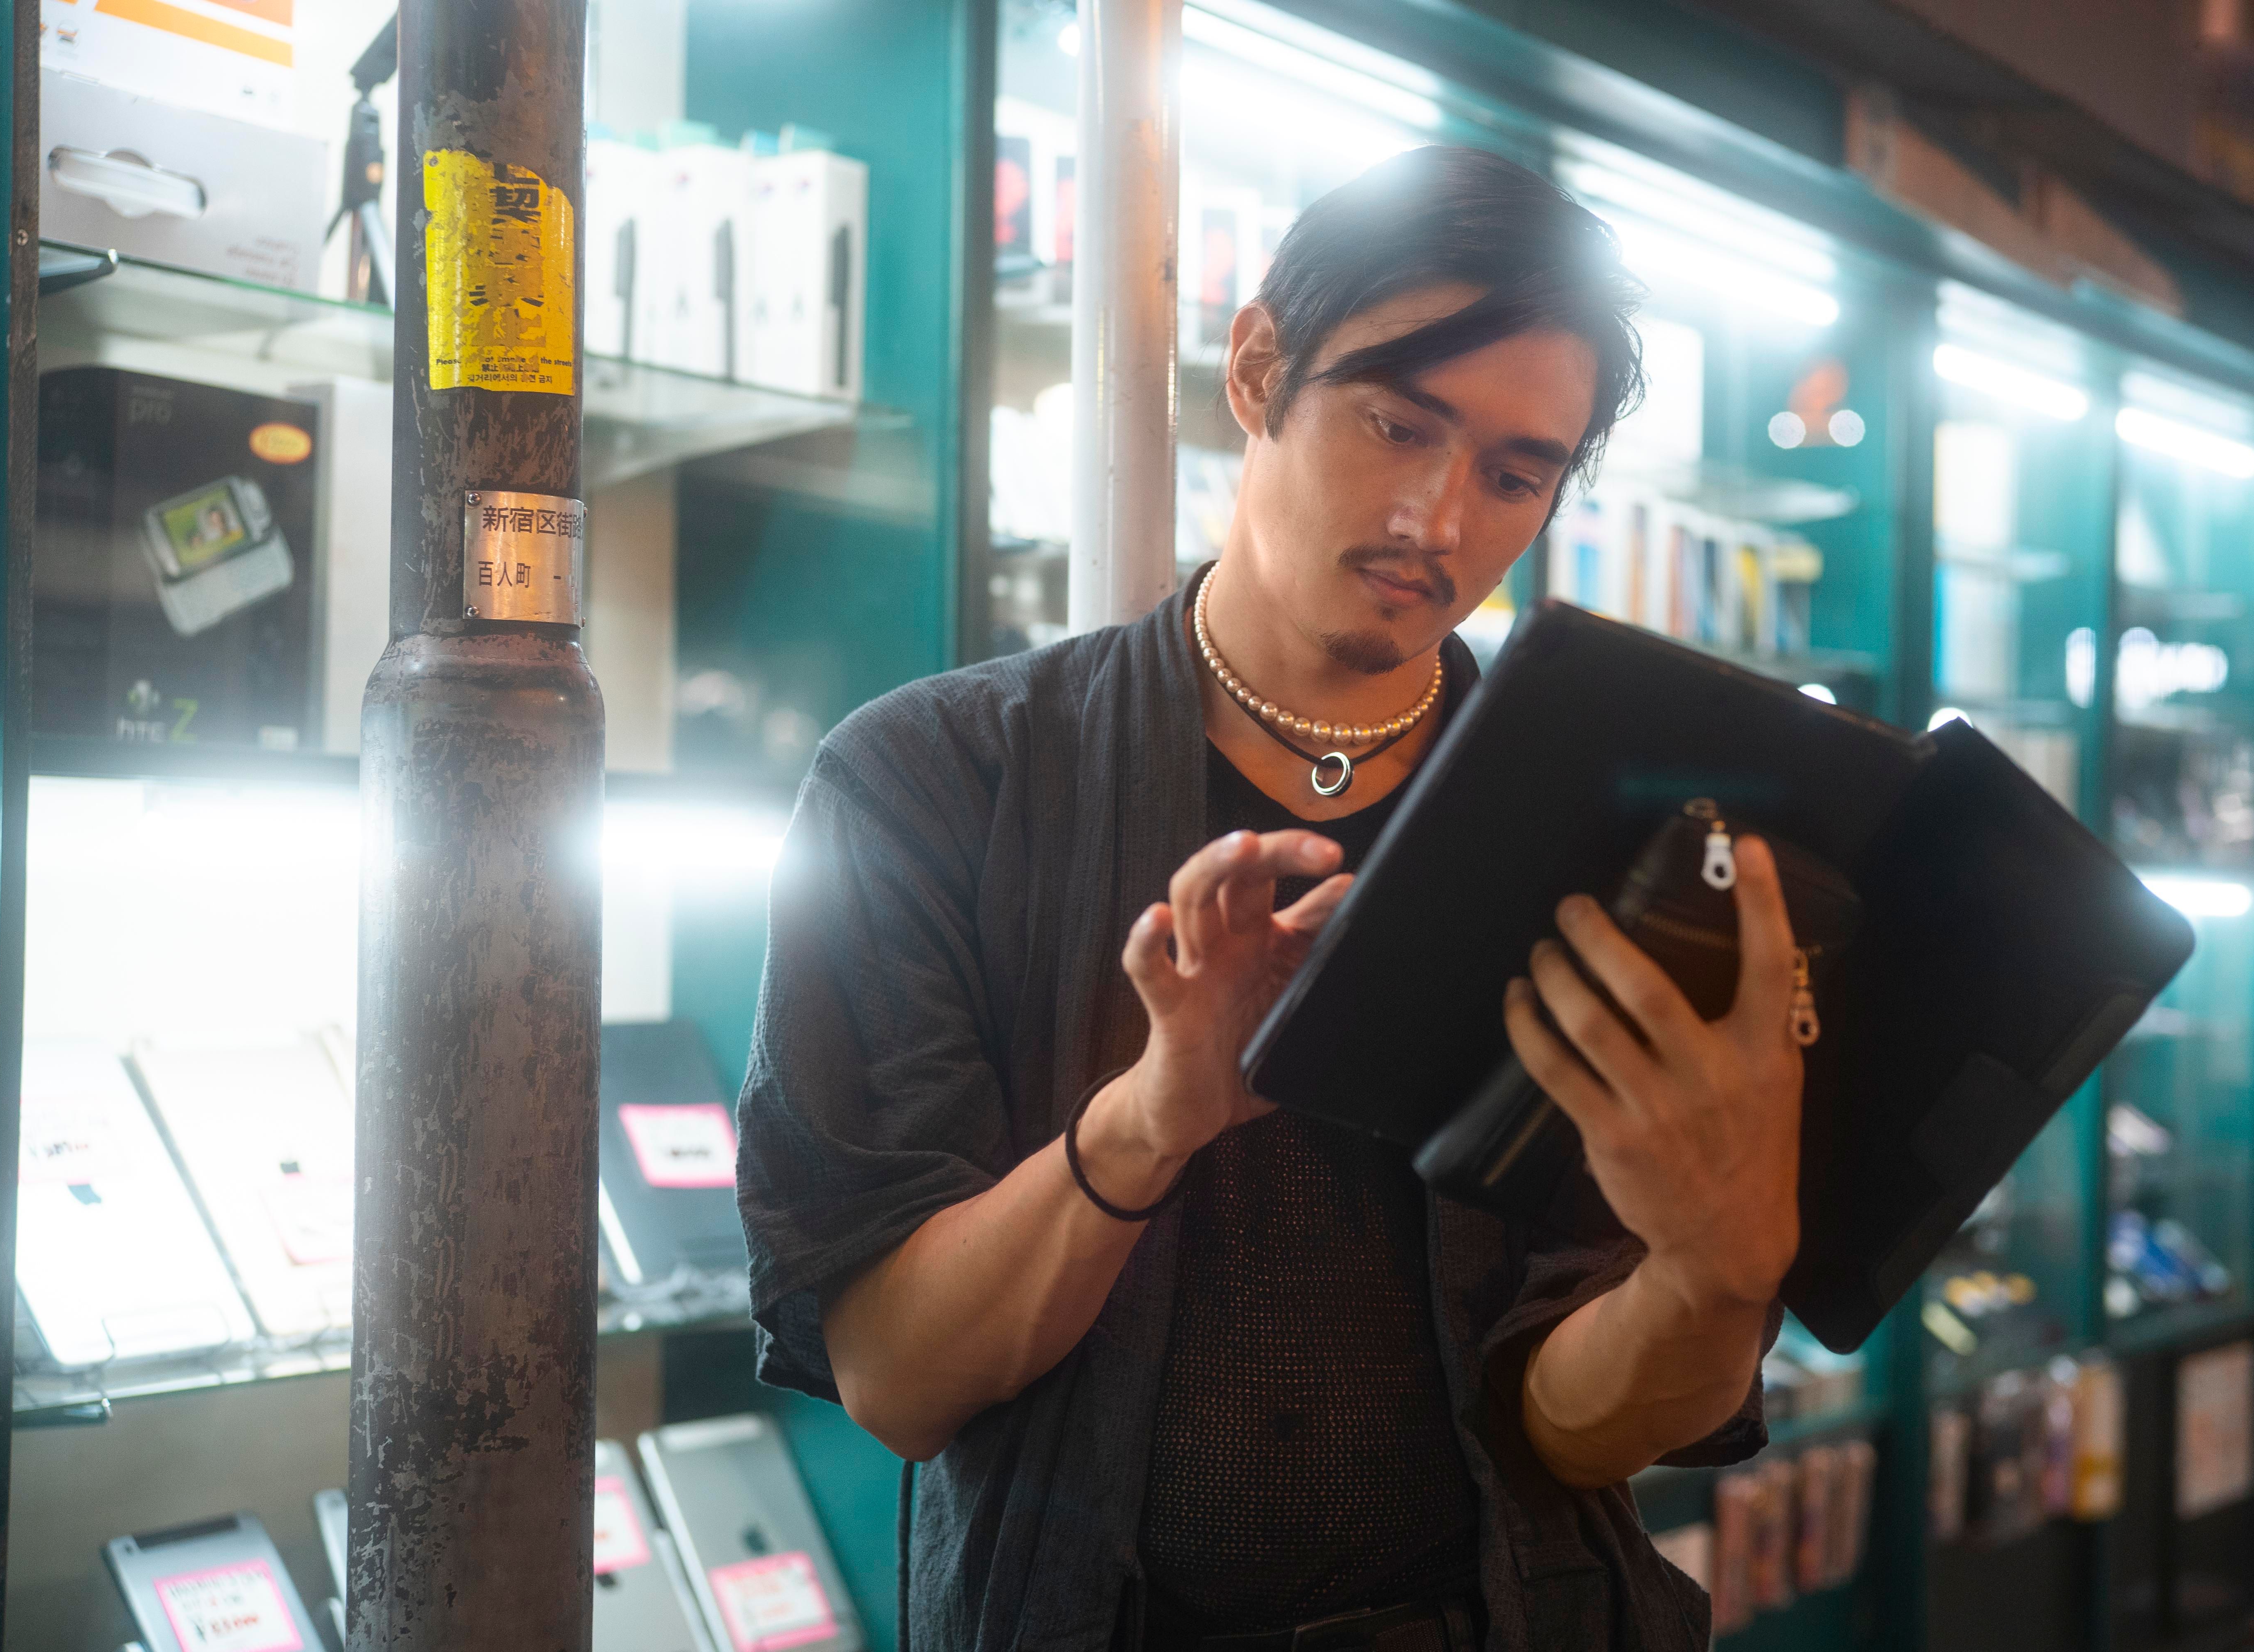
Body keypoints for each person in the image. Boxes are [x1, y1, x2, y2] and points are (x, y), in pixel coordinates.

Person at [736, 145, 1803, 1652]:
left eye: (1515, 474)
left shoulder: (1603, 848)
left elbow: (1568, 1433)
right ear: (1255, 370)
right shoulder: (933, 785)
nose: (1439, 521)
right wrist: (1152, 1115)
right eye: (1396, 424)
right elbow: (901, 1384)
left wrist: (1715, 1267)